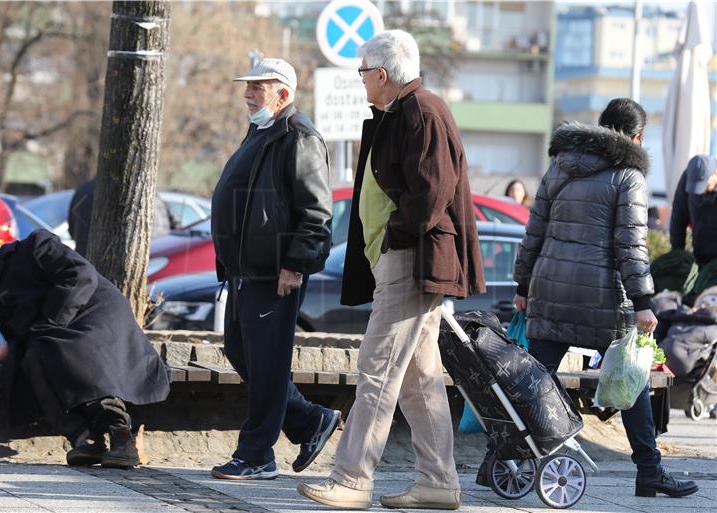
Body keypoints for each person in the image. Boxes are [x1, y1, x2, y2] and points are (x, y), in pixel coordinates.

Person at [298, 30, 485, 510]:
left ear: (381, 74)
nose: (361, 81)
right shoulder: (402, 111)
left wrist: (395, 237)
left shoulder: (422, 110)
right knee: (419, 378)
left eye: (362, 72)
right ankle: (438, 482)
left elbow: (432, 192)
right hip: (402, 257)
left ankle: (351, 478)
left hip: (413, 258)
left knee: (377, 368)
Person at [496, 98, 699, 498]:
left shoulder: (560, 166)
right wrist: (643, 301)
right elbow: (631, 245)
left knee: (535, 379)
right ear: (637, 137)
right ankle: (649, 471)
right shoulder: (629, 177)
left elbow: (533, 231)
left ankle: (503, 460)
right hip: (603, 299)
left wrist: (523, 286)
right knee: (631, 380)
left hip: (549, 290)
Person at [0, 229, 170, 468]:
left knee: (60, 350)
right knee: (30, 358)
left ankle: (120, 435)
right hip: (57, 331)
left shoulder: (36, 245)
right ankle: (84, 437)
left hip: (96, 313)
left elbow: (80, 275)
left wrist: (49, 323)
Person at [208, 58, 340, 480]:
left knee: (267, 363)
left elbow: (316, 212)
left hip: (274, 273)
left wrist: (295, 266)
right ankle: (307, 420)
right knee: (241, 352)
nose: (248, 95)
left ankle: (256, 455)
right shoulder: (262, 132)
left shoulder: (299, 135)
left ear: (283, 94)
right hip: (245, 270)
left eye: (257, 88)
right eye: (247, 87)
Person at [67, 179, 181, 257]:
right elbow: (177, 226)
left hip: (85, 256)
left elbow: (71, 227)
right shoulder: (150, 194)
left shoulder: (82, 191)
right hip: (153, 253)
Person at [670, 154, 717, 268]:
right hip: (700, 256)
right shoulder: (689, 175)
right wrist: (677, 253)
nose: (700, 193)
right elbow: (678, 217)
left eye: (704, 187)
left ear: (714, 173)